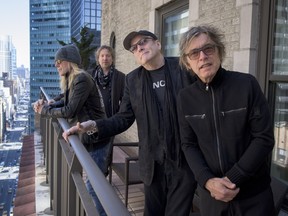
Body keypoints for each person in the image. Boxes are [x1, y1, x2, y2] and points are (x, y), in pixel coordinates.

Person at [63, 30, 197, 215]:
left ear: (158, 44)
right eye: (134, 48)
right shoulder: (133, 80)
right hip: (152, 164)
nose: (139, 47)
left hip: (184, 163)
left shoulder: (183, 68)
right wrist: (93, 125)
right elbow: (123, 118)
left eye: (143, 42)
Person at [177, 25, 275, 216]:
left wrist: (232, 179)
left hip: (254, 197)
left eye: (208, 48)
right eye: (194, 53)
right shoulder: (184, 98)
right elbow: (188, 144)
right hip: (212, 199)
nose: (203, 56)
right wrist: (207, 181)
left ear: (219, 51)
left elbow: (263, 138)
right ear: (188, 63)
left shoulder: (247, 85)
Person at [32, 44, 110, 216]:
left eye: (59, 61)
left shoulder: (82, 78)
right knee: (94, 183)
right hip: (89, 136)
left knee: (94, 186)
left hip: (97, 137)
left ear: (70, 61)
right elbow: (64, 99)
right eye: (55, 62)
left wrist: (44, 111)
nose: (56, 65)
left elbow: (69, 110)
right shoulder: (73, 80)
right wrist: (48, 103)